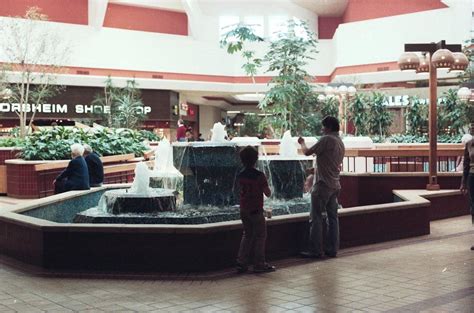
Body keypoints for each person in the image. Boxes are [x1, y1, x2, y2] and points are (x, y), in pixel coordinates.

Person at [298, 116, 345, 258]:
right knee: (333, 218)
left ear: (329, 127)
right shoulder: (340, 142)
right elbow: (329, 163)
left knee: (316, 218)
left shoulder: (327, 139)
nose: (322, 129)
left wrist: (302, 143)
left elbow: (307, 152)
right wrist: (314, 170)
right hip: (335, 184)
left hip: (323, 185)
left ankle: (316, 250)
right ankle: (332, 249)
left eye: (323, 126)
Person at [236, 146, 276, 273]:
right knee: (260, 236)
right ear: (256, 159)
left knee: (247, 235)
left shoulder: (240, 175)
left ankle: (241, 263)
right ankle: (259, 263)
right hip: (256, 210)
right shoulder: (259, 175)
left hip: (244, 209)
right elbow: (268, 193)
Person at [460, 136, 474, 251]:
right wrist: (463, 183)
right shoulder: (469, 144)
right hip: (472, 178)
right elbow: (465, 164)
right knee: (473, 208)